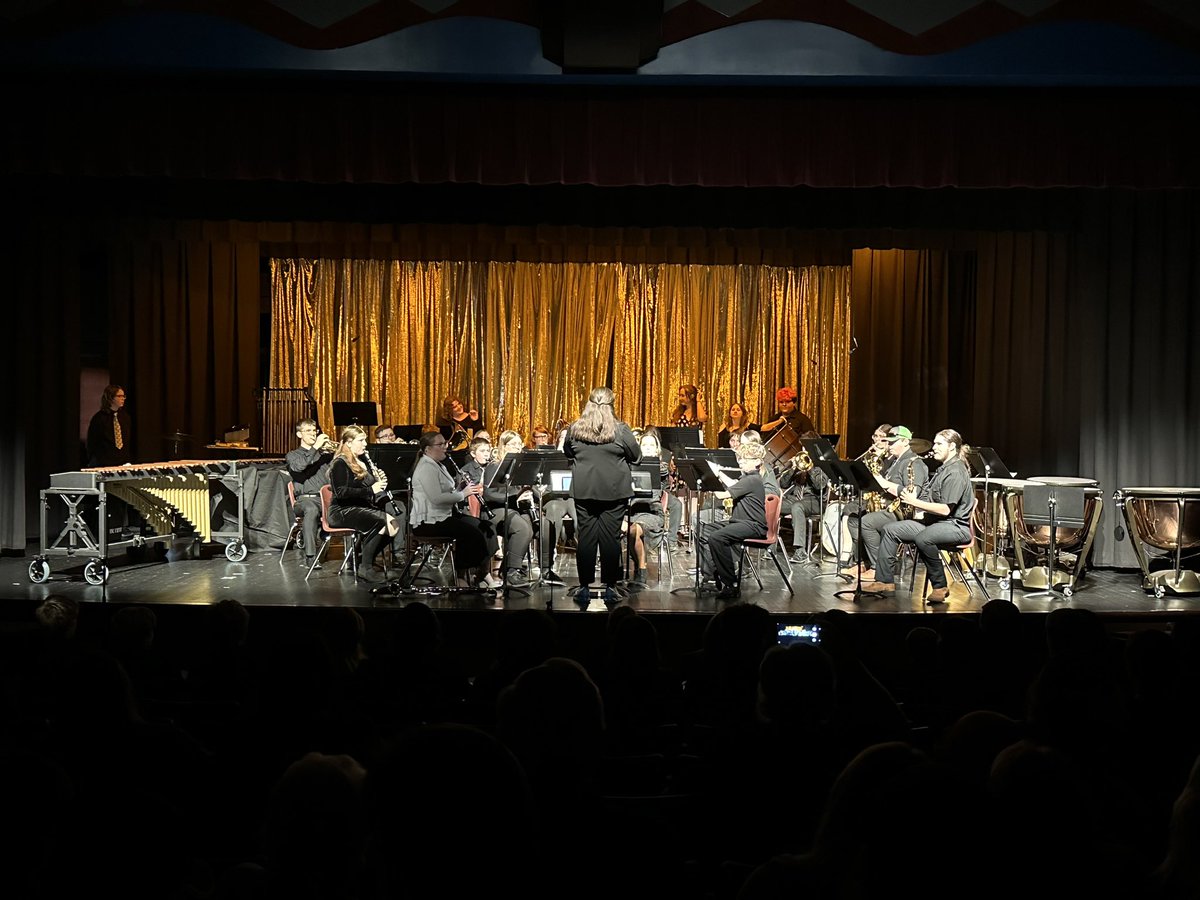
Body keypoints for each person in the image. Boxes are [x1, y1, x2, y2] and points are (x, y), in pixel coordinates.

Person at [865, 428, 975, 604]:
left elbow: (945, 510)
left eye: (939, 444)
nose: (934, 447)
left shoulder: (956, 471)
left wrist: (913, 502)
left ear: (952, 447)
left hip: (955, 526)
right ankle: (884, 581)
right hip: (935, 522)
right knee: (890, 529)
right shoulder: (943, 469)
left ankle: (939, 585)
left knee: (924, 538)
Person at [563, 386, 641, 606]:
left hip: (584, 491)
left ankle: (585, 587)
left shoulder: (575, 429)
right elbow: (636, 456)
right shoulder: (621, 430)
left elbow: (567, 452)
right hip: (614, 492)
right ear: (611, 404)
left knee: (586, 537)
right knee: (610, 538)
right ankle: (609, 587)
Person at [410, 431, 498, 589]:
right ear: (428, 449)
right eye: (440, 444)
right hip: (429, 521)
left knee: (487, 527)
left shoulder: (438, 465)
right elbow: (436, 498)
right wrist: (462, 494)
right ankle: (461, 575)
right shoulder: (425, 467)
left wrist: (460, 487)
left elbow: (448, 492)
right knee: (470, 532)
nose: (445, 447)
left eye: (445, 443)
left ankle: (483, 572)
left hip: (445, 515)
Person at [842, 425, 930, 580]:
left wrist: (885, 484)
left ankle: (878, 567)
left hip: (903, 512)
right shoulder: (896, 461)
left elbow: (912, 494)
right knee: (854, 519)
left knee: (867, 522)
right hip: (888, 508)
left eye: (892, 442)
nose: (888, 446)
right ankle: (863, 562)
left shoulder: (914, 463)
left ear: (904, 441)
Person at [327, 425, 403, 584]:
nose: (365, 444)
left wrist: (379, 481)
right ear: (348, 442)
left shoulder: (361, 462)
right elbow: (340, 492)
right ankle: (366, 568)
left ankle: (360, 559)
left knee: (393, 525)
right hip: (342, 510)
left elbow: (368, 489)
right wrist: (371, 489)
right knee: (381, 522)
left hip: (359, 507)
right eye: (360, 441)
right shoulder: (339, 463)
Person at [696, 439, 770, 601]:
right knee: (702, 530)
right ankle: (711, 573)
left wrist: (712, 475)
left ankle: (731, 584)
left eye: (745, 459)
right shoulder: (748, 479)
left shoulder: (752, 480)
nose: (741, 461)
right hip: (740, 522)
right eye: (740, 458)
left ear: (757, 462)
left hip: (753, 525)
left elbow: (722, 494)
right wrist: (719, 474)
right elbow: (733, 484)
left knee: (717, 538)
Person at [475, 432, 536, 588]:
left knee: (538, 525)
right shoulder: (494, 466)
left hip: (513, 509)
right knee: (522, 528)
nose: (518, 447)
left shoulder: (520, 467)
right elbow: (489, 494)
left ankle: (511, 568)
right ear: (504, 446)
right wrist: (517, 495)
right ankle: (511, 571)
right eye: (513, 444)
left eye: (519, 444)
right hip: (495, 510)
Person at [626, 427, 684, 582]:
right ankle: (627, 570)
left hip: (652, 512)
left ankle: (641, 569)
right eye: (644, 445)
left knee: (633, 531)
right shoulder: (630, 465)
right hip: (632, 510)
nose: (648, 448)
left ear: (657, 449)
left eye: (651, 445)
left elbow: (661, 473)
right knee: (624, 529)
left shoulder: (661, 467)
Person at [286, 418, 336, 569]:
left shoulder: (325, 455)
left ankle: (357, 559)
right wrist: (315, 447)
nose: (313, 434)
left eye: (314, 431)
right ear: (299, 434)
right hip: (305, 501)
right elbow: (300, 467)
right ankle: (310, 557)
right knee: (311, 509)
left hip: (326, 500)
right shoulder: (293, 455)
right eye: (308, 431)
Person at [86, 384, 133, 467]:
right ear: (110, 397)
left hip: (122, 462)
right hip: (104, 463)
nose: (123, 398)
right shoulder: (99, 418)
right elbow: (92, 442)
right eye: (119, 396)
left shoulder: (125, 417)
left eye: (124, 396)